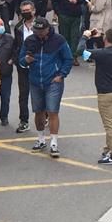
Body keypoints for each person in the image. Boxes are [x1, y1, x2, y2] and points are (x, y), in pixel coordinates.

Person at [23, 17, 73, 159]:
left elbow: (68, 59)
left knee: (52, 112)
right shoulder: (30, 41)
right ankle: (40, 139)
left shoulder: (59, 40)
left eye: (41, 31)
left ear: (47, 29)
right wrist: (25, 60)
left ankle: (54, 142)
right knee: (38, 111)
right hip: (35, 81)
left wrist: (61, 75)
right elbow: (20, 58)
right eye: (36, 31)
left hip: (53, 81)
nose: (38, 33)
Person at [89, 28, 112, 165]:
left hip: (106, 94)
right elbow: (106, 45)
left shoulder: (101, 54)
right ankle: (108, 149)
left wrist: (85, 37)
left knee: (109, 125)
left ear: (105, 39)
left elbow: (81, 52)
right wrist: (100, 37)